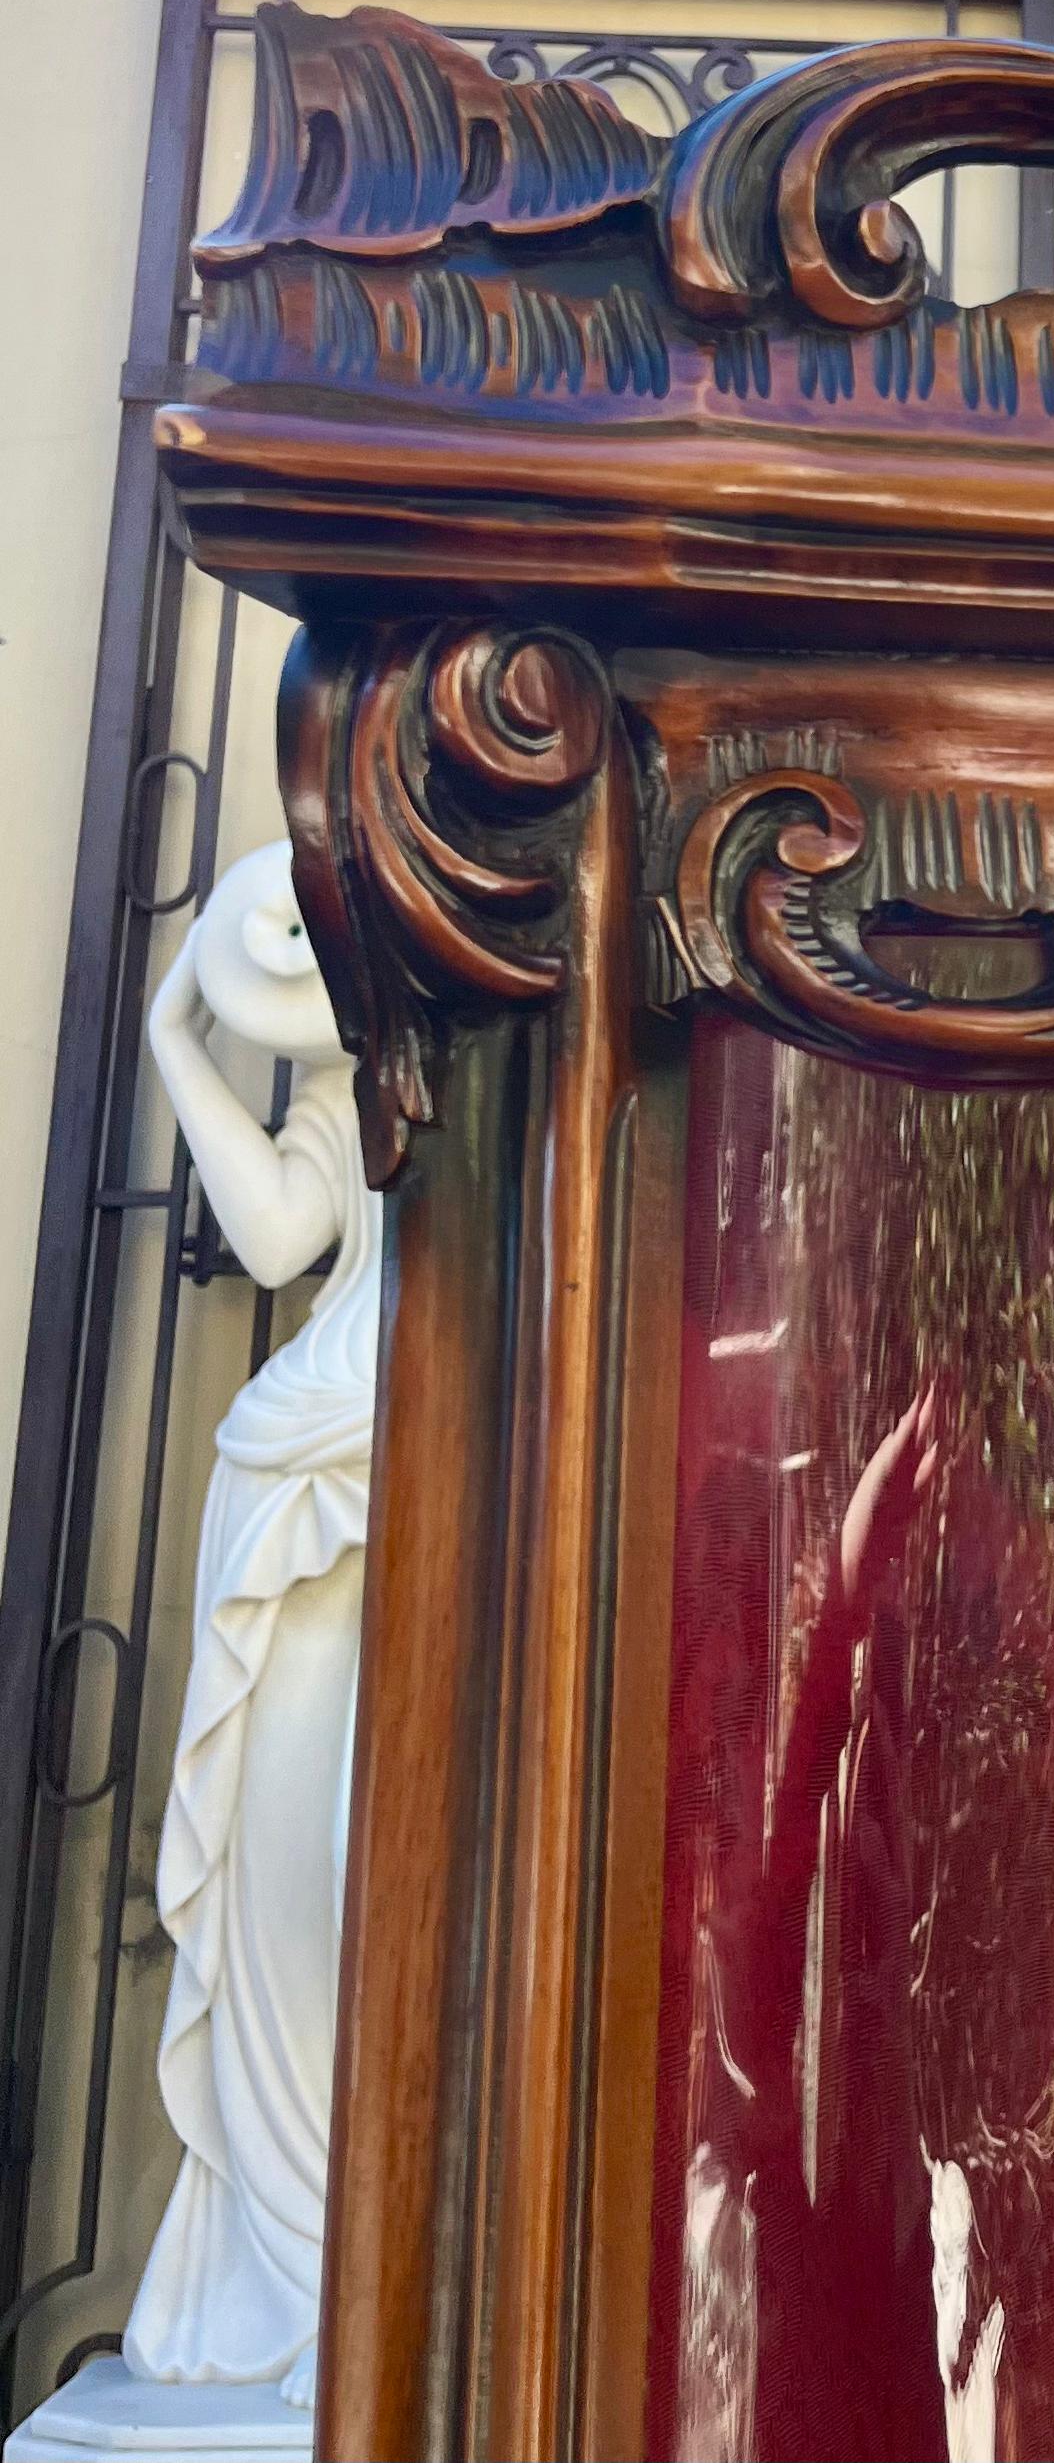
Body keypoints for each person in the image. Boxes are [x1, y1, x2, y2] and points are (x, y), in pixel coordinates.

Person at [127, 842, 376, 2409]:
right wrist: (172, 1031)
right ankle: (293, 2263)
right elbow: (284, 1240)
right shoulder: (365, 1069)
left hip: (445, 1448)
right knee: (298, 1861)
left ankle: (369, 2250)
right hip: (322, 1465)